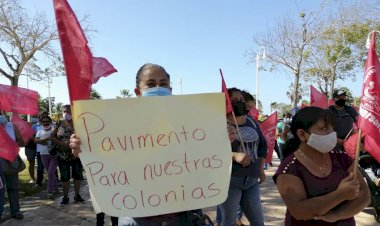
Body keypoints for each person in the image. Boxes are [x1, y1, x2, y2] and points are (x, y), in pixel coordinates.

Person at [70, 63, 210, 226]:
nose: (158, 87)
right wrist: (82, 148)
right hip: (138, 216)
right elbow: (102, 158)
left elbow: (203, 156)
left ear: (170, 90)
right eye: (151, 84)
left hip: (183, 214)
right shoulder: (116, 125)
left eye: (163, 84)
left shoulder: (191, 122)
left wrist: (221, 139)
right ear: (138, 92)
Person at [273, 106, 370, 225]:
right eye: (323, 129)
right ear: (302, 134)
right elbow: (299, 211)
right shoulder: (289, 168)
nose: (331, 133)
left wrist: (337, 215)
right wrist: (340, 195)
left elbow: (365, 196)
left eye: (331, 128)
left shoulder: (342, 159)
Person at [218, 87, 267, 226]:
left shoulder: (251, 121)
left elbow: (262, 145)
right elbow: (211, 153)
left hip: (251, 181)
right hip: (230, 182)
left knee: (258, 222)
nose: (239, 102)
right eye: (234, 100)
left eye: (241, 100)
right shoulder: (218, 123)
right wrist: (233, 155)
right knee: (228, 222)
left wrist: (261, 169)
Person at [51, 105, 85, 205]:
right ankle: (65, 197)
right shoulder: (59, 123)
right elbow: (52, 137)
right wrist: (61, 143)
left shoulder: (79, 123)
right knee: (64, 177)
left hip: (76, 155)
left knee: (77, 176)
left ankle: (77, 195)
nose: (66, 113)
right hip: (62, 156)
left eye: (68, 111)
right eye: (64, 111)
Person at [0, 113, 24, 219]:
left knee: (13, 187)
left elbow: (21, 142)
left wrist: (11, 144)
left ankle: (15, 211)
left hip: (11, 160)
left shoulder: (12, 126)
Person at [34, 115, 59, 199]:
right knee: (51, 173)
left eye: (47, 121)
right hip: (43, 155)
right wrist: (48, 139)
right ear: (41, 123)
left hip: (53, 155)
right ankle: (56, 188)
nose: (45, 123)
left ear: (51, 122)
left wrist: (43, 141)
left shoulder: (54, 130)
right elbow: (36, 141)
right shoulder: (39, 132)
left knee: (51, 173)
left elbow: (56, 141)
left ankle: (49, 191)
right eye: (44, 122)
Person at [24, 117, 38, 183]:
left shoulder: (39, 124)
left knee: (41, 164)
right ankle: (32, 178)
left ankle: (40, 177)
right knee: (31, 163)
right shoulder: (27, 125)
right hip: (29, 147)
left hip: (38, 147)